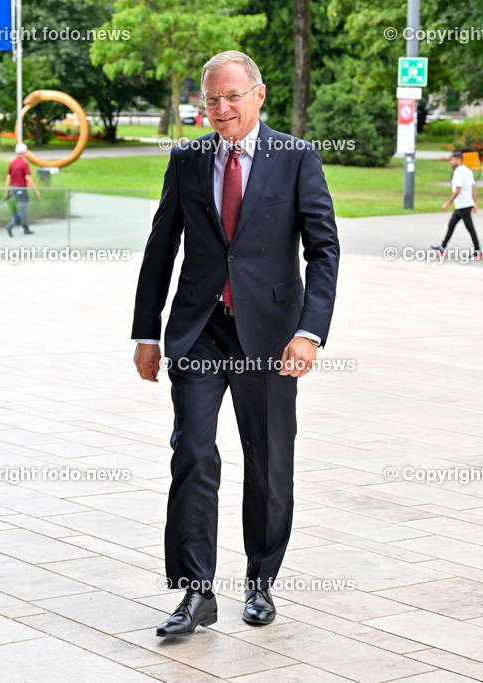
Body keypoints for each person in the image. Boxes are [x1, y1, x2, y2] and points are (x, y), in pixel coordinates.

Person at [132, 51, 339, 638]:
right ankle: (196, 593)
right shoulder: (189, 159)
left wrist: (310, 331)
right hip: (200, 331)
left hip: (272, 338)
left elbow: (323, 251)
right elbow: (159, 250)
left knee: (269, 462)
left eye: (232, 97)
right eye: (211, 100)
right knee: (193, 453)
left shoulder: (296, 159)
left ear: (258, 95)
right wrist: (147, 332)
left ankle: (261, 580)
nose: (221, 109)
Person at [433, 150, 482, 259]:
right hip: (464, 204)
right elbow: (473, 187)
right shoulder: (468, 171)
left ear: (459, 160)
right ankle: (442, 247)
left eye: (453, 160)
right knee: (451, 224)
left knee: (470, 227)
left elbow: (458, 190)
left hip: (463, 204)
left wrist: (448, 203)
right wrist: (474, 203)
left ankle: (478, 251)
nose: (451, 162)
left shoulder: (459, 172)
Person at [3, 143, 41, 236]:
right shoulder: (24, 163)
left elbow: (8, 178)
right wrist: (35, 189)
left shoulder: (12, 163)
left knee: (23, 208)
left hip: (14, 189)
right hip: (22, 189)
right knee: (22, 209)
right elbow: (28, 178)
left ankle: (26, 228)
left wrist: (7, 190)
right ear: (23, 152)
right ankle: (10, 225)